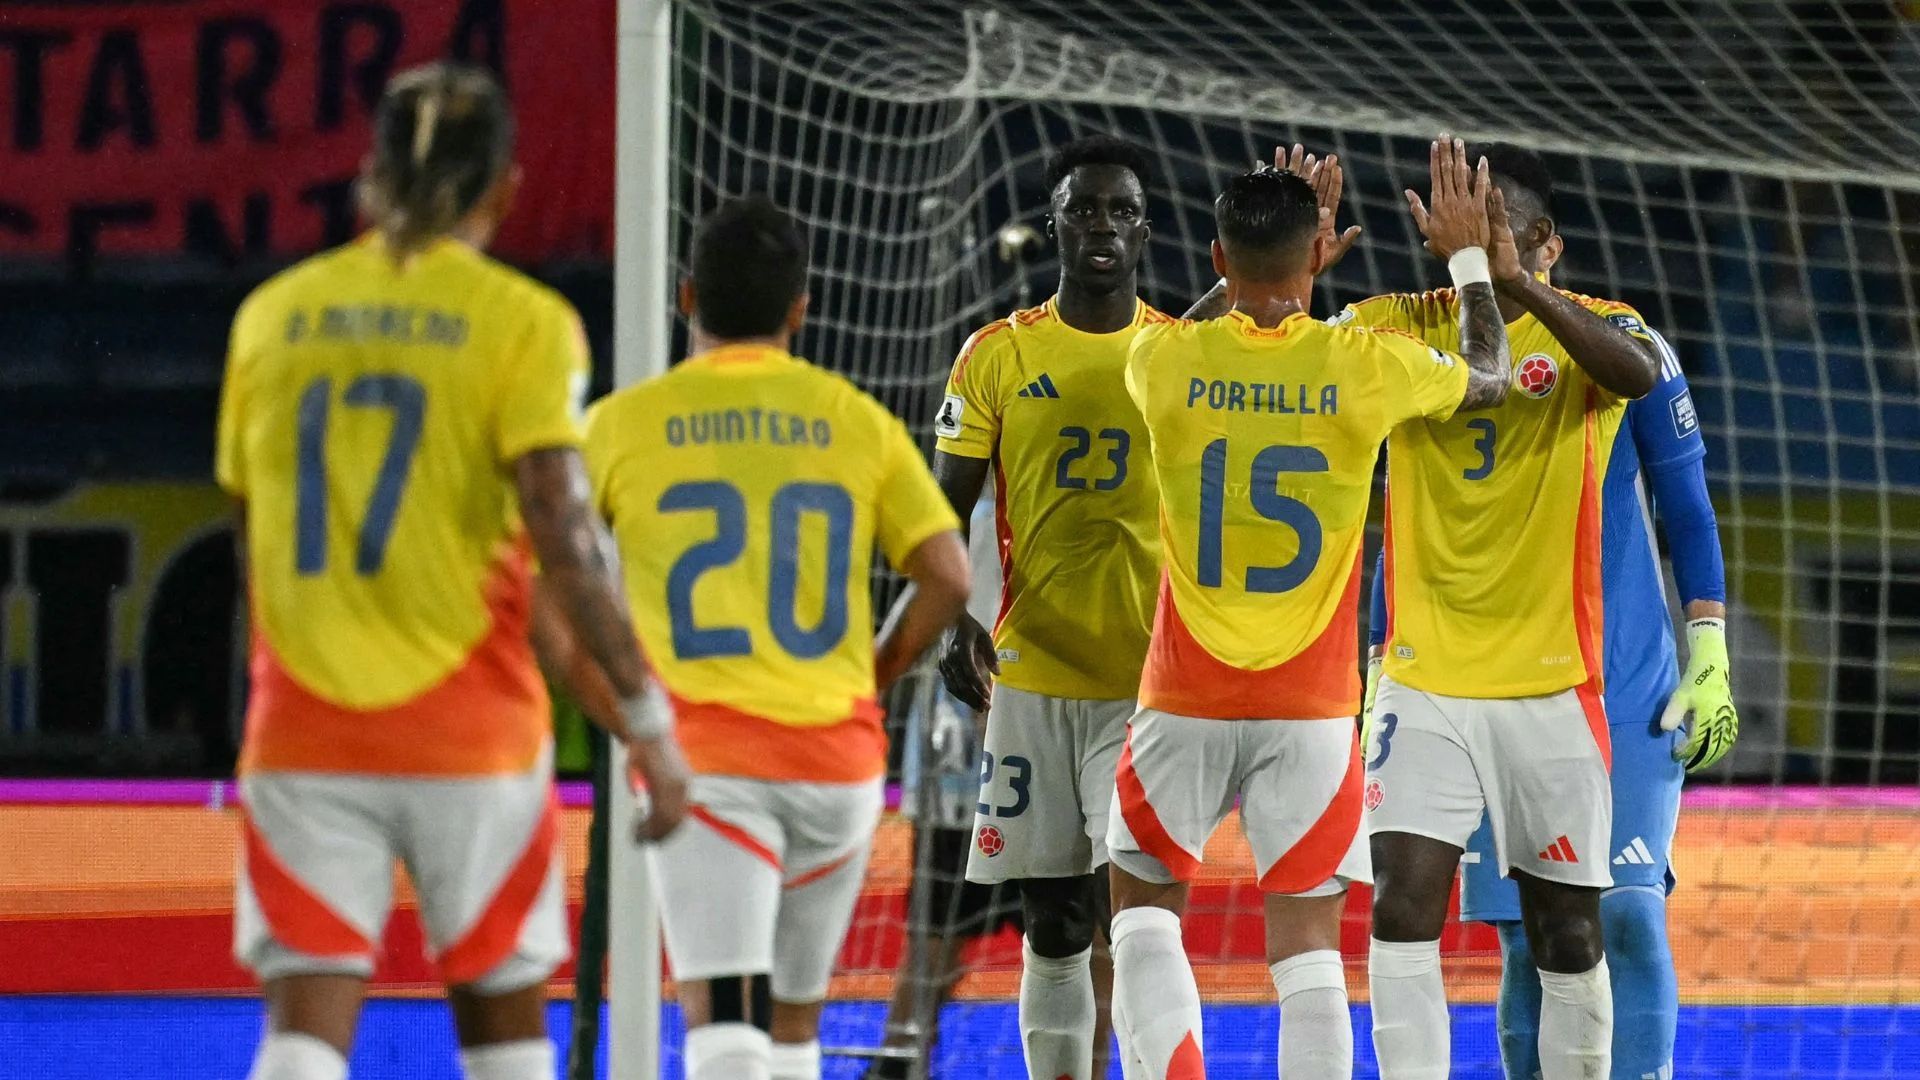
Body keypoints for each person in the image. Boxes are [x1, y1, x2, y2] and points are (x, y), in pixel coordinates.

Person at [216, 62, 688, 1080]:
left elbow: (250, 542)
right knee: (503, 1036)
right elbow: (563, 533)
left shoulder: (271, 317)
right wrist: (647, 722)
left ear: (368, 175)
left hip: (301, 725)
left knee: (301, 1035)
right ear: (506, 188)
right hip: (470, 732)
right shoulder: (521, 322)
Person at [1107, 145, 1511, 1080]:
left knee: (1139, 913)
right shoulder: (1362, 363)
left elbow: (1202, 330)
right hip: (1315, 707)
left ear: (1215, 257)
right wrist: (1468, 263)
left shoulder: (1162, 358)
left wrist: (1271, 284)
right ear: (1313, 253)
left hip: (1183, 694)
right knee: (1309, 952)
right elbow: (1487, 375)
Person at [1361, 146, 1740, 1080]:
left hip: (1619, 683)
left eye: (1499, 236)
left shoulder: (1619, 337)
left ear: (1547, 247)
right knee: (1534, 939)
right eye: (1457, 235)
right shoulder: (1403, 342)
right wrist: (1375, 655)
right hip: (1465, 685)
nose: (1475, 254)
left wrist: (1710, 647)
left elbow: (1684, 503)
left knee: (1628, 917)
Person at [582, 195, 970, 1080]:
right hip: (838, 766)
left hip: (709, 756)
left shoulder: (621, 424)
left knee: (724, 1022)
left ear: (686, 298)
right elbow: (948, 574)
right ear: (801, 307)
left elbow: (558, 576)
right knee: (793, 1025)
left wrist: (620, 711)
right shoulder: (854, 418)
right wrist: (876, 672)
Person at [932, 134, 1166, 1080]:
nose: (1101, 225)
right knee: (1053, 918)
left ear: (1144, 230)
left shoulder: (1177, 354)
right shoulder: (996, 355)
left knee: (1145, 913)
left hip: (1151, 682)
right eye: (1084, 208)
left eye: (1119, 210)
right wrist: (952, 615)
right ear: (1055, 223)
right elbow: (937, 515)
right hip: (1030, 680)